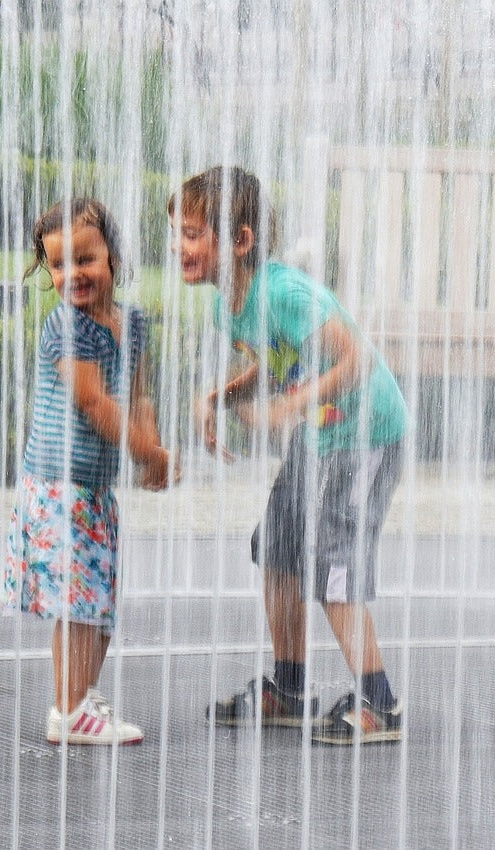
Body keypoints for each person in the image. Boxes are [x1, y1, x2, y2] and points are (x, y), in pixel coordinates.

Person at [170, 166, 407, 745]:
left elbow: (356, 361)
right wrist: (224, 397)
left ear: (241, 241)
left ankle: (380, 704)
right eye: (178, 231)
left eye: (195, 233)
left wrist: (295, 402)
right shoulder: (231, 305)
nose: (180, 246)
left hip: (365, 436)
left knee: (332, 561)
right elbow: (277, 362)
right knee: (276, 544)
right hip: (319, 437)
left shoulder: (284, 292)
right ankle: (290, 687)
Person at [4, 197, 177, 746]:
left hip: (92, 490)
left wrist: (150, 441)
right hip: (58, 489)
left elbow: (137, 394)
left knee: (96, 605)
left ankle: (78, 697)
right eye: (59, 264)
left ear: (113, 259)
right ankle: (68, 708)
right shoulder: (68, 327)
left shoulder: (133, 324)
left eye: (85, 259)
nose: (72, 274)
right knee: (79, 606)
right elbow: (94, 404)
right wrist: (147, 453)